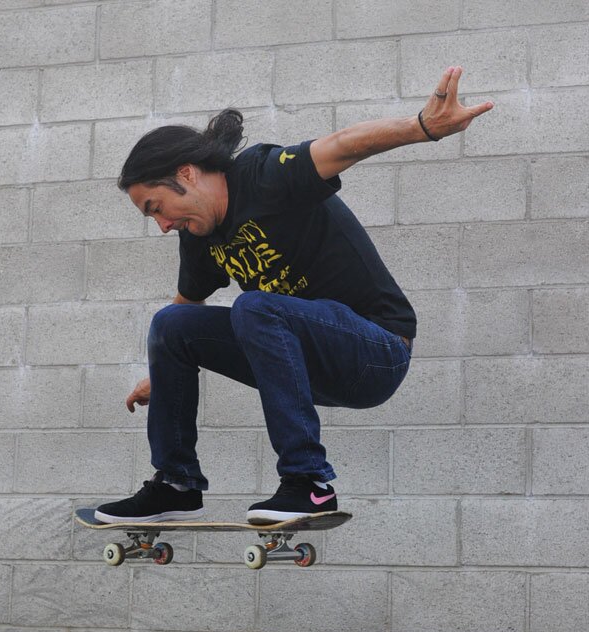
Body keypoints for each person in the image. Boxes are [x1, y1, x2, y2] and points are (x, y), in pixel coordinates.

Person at [95, 66, 493, 525]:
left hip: (376, 353)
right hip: (301, 358)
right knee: (169, 324)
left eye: (157, 208)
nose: (163, 225)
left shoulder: (263, 175)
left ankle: (310, 484)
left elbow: (342, 145)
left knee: (255, 305)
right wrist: (161, 377)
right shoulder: (200, 235)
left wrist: (422, 127)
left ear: (186, 174)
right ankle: (176, 483)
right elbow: (185, 314)